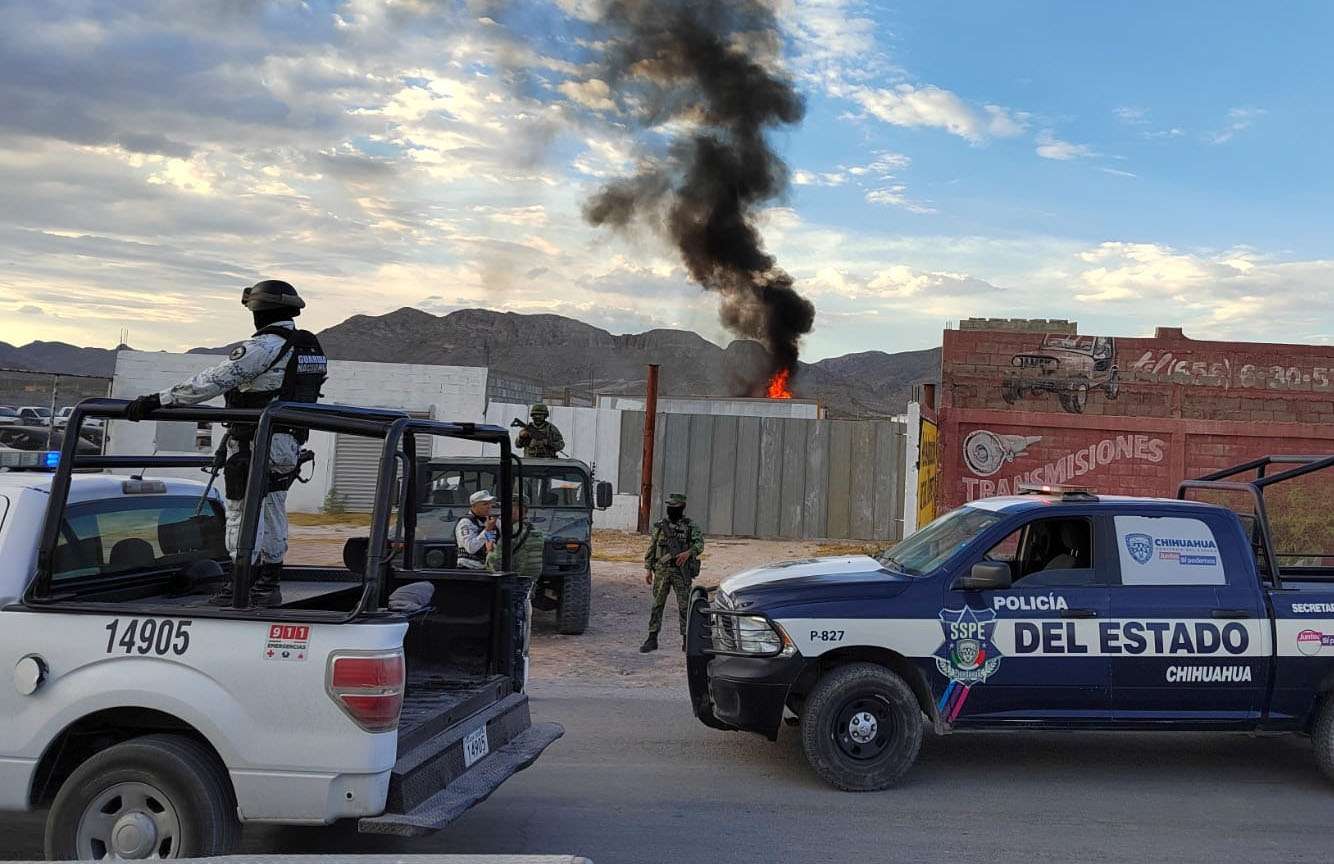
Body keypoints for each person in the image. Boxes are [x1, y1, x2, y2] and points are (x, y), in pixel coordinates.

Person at [123, 279, 327, 607]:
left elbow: (213, 381)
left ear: (259, 310)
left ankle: (239, 584)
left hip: (254, 442)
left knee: (239, 512)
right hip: (287, 442)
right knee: (273, 509)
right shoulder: (309, 348)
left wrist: (157, 400)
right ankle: (268, 583)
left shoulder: (263, 347)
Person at [640, 492, 703, 653]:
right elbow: (652, 547)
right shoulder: (660, 526)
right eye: (669, 506)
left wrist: (688, 553)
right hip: (662, 570)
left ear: (682, 507)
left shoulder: (690, 526)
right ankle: (652, 638)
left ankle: (687, 640)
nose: (671, 509)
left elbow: (699, 545)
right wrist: (648, 569)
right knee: (657, 605)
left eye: (675, 507)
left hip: (681, 571)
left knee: (685, 606)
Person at [455, 490, 498, 569]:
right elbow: (471, 548)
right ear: (474, 506)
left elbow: (490, 545)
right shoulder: (465, 523)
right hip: (469, 569)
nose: (489, 506)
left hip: (485, 568)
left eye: (490, 503)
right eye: (485, 504)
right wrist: (487, 530)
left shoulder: (487, 521)